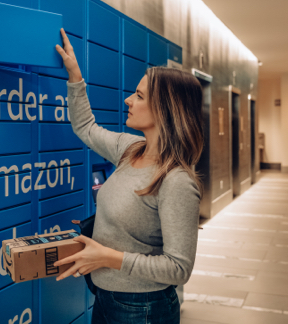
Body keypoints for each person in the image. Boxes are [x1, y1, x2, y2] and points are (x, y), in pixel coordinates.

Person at [52, 28, 203, 324]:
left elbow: (178, 268)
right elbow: (86, 127)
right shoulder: (130, 149)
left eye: (139, 95)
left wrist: (107, 257)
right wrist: (74, 75)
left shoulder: (176, 181)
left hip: (143, 309)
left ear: (165, 109)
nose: (128, 100)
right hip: (106, 297)